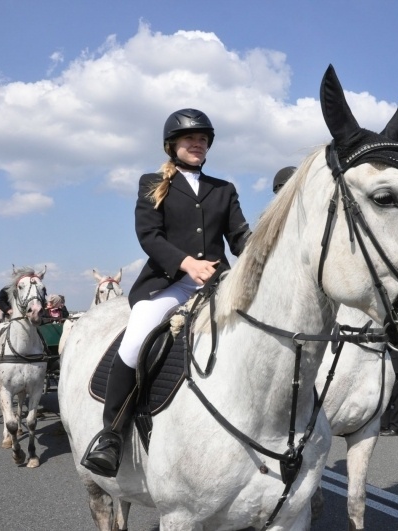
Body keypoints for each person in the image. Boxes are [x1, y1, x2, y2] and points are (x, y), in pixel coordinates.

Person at [81, 108, 252, 477]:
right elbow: (150, 236)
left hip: (219, 282)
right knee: (135, 340)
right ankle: (111, 434)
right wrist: (188, 264)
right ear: (172, 144)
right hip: (169, 283)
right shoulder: (151, 182)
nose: (198, 144)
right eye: (191, 139)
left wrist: (264, 251)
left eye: (203, 140)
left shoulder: (223, 189)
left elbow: (240, 237)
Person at [380, 348, 398, 436]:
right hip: (385, 360)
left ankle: (397, 427)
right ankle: (384, 424)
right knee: (384, 395)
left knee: (397, 396)